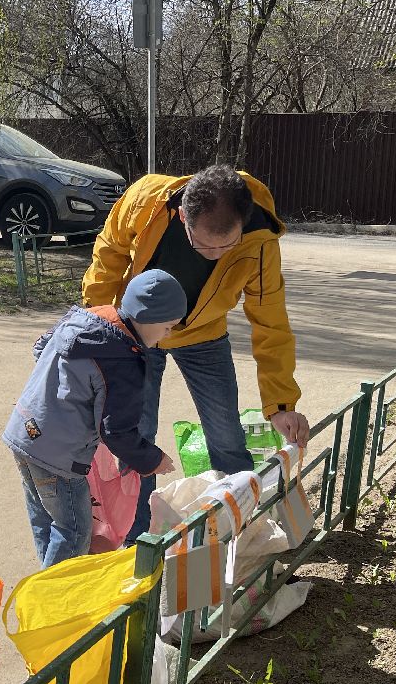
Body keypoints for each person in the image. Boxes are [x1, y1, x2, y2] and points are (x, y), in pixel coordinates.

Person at [81, 163, 310, 541]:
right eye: (204, 244)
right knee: (135, 437)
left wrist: (282, 403)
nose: (216, 255)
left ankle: (241, 533)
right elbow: (108, 256)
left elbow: (270, 321)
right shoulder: (146, 201)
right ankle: (138, 541)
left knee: (227, 437)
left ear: (244, 221)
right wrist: (102, 328)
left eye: (227, 244)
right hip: (137, 333)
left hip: (204, 336)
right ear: (183, 215)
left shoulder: (261, 242)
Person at [3, 270, 186, 567]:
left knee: (45, 517)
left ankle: (43, 586)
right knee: (74, 530)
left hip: (24, 431)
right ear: (148, 318)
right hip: (60, 455)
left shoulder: (92, 317)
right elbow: (118, 431)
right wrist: (153, 460)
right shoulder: (125, 359)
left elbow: (41, 347)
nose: (167, 336)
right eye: (167, 327)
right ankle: (57, 601)